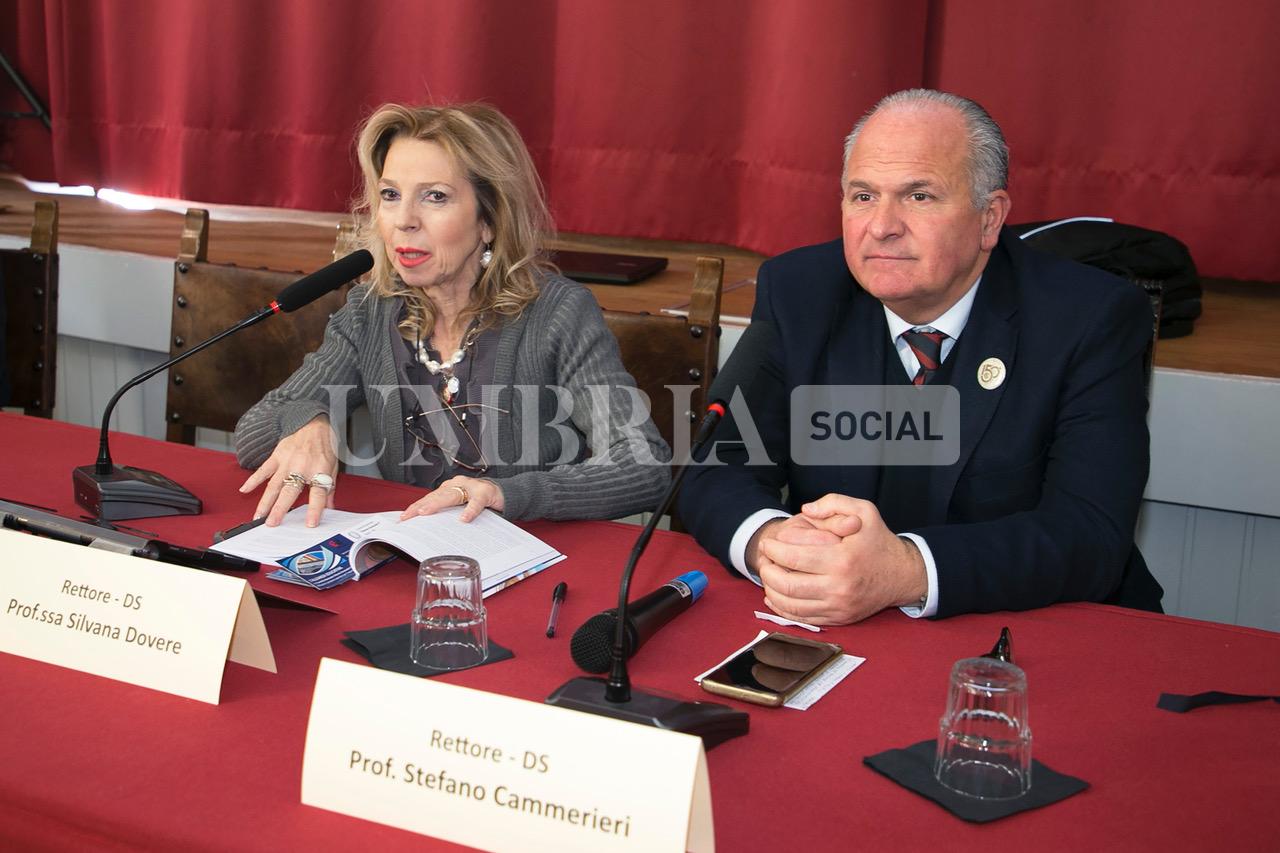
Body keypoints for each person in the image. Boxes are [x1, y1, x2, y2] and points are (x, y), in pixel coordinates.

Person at [677, 89, 1163, 624]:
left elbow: (1089, 533)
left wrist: (906, 572)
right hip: (839, 629)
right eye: (862, 196)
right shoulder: (800, 293)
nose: (882, 225)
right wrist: (773, 543)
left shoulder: (1090, 318)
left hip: (1037, 631)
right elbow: (718, 462)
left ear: (989, 218)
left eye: (919, 196)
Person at [235, 103, 669, 527]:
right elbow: (252, 433)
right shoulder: (370, 313)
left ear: (489, 221)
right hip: (416, 556)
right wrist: (309, 422)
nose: (404, 220)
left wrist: (506, 493)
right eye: (390, 195)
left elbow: (642, 467)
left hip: (536, 561)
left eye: (435, 197)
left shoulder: (558, 313)